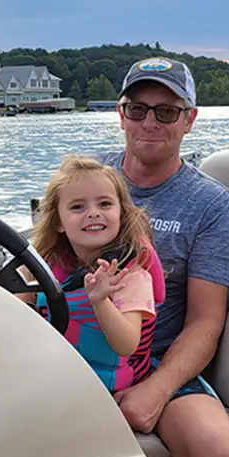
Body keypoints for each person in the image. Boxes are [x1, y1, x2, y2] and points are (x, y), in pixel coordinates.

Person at [99, 57, 229, 457]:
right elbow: (45, 269)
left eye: (167, 111)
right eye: (139, 109)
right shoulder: (86, 178)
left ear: (190, 120)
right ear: (121, 115)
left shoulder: (211, 205)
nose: (150, 122)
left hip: (160, 357)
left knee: (216, 453)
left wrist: (155, 390)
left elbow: (207, 323)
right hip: (77, 346)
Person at [23, 154, 166, 394]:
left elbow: (127, 344)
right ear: (58, 221)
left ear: (121, 214)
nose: (93, 213)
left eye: (105, 204)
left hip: (106, 390)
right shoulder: (46, 265)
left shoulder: (131, 277)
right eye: (78, 206)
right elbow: (12, 304)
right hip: (57, 378)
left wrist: (100, 301)